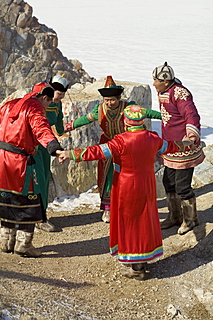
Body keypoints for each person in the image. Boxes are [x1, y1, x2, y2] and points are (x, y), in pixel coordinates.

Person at [57, 105, 193, 280]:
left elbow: (96, 152)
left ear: (126, 122)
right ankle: (142, 260)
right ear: (142, 121)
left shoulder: (120, 141)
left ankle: (135, 266)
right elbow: (172, 147)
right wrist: (186, 143)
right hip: (147, 184)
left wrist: (70, 154)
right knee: (145, 219)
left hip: (125, 185)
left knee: (129, 221)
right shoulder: (153, 139)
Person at [0, 86, 63, 257]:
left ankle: (6, 242)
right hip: (20, 162)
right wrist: (54, 148)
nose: (47, 107)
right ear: (44, 97)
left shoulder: (11, 104)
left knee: (5, 197)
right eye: (48, 102)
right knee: (28, 201)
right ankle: (24, 245)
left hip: (0, 160)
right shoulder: (35, 109)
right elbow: (41, 129)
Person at [65, 75, 162, 223]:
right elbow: (85, 119)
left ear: (119, 98)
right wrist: (67, 127)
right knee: (107, 177)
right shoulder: (100, 110)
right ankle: (108, 209)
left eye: (112, 100)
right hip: (108, 145)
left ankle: (128, 207)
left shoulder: (129, 108)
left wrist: (165, 117)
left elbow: (147, 113)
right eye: (106, 100)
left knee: (128, 177)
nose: (109, 103)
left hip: (127, 145)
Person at [152, 62, 205, 235]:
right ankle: (174, 216)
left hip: (184, 147)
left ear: (166, 81)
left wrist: (191, 135)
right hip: (171, 147)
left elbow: (191, 114)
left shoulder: (181, 93)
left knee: (182, 186)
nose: (153, 83)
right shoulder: (163, 91)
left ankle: (191, 220)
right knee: (168, 182)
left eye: (156, 80)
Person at [33, 75, 69, 232]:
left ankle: (41, 215)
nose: (59, 97)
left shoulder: (57, 105)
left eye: (62, 95)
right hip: (34, 145)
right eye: (57, 94)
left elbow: (59, 123)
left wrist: (65, 130)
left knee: (45, 179)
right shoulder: (37, 104)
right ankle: (36, 217)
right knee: (37, 180)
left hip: (46, 146)